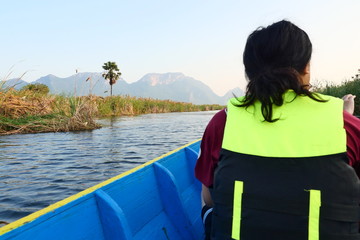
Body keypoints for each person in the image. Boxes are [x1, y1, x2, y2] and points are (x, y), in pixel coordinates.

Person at [195, 20, 360, 240]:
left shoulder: (222, 121)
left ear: (249, 72)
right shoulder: (347, 126)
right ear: (306, 67)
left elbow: (210, 197)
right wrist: (344, 118)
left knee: (205, 195)